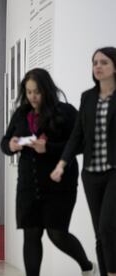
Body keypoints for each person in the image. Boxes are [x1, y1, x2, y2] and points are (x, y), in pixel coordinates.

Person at [1, 68, 97, 276]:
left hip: (59, 183)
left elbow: (80, 144)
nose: (33, 97)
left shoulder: (66, 111)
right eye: (28, 92)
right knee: (31, 234)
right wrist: (12, 145)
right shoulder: (21, 113)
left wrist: (49, 148)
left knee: (57, 233)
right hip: (28, 184)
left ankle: (87, 266)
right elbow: (4, 143)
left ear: (47, 90)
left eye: (37, 92)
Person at [51, 47, 116, 276]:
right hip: (91, 173)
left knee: (108, 227)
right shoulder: (88, 97)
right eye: (95, 62)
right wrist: (62, 163)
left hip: (113, 171)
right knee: (100, 231)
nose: (98, 66)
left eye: (104, 62)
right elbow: (77, 135)